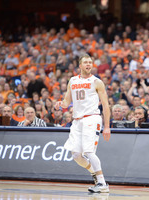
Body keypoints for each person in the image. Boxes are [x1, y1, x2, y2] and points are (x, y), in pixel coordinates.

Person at [55, 54, 111, 193]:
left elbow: (106, 105)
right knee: (76, 155)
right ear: (80, 66)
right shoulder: (72, 81)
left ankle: (102, 183)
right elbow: (67, 102)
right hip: (77, 120)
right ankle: (94, 174)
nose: (88, 64)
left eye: (90, 62)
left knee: (89, 151)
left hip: (91, 118)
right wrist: (60, 104)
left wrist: (107, 127)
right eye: (85, 62)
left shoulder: (96, 82)